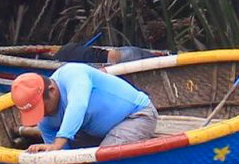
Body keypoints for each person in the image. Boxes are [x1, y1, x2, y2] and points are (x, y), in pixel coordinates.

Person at [9, 64, 157, 150]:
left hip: (136, 116)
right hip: (92, 132)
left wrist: (58, 142)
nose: (41, 116)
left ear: (52, 91)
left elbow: (78, 104)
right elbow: (59, 156)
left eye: (41, 109)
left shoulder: (72, 73)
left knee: (105, 157)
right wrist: (52, 150)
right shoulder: (45, 122)